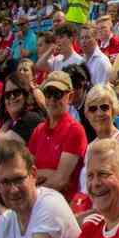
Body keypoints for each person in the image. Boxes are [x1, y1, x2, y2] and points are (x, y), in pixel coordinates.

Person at [28, 71, 87, 200]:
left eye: (57, 94)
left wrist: (32, 192)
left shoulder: (75, 130)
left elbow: (60, 181)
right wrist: (49, 173)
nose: (52, 99)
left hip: (62, 204)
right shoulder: (38, 130)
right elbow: (27, 173)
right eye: (48, 94)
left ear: (70, 97)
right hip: (40, 201)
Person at [0, 70, 45, 145]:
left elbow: (1, 148)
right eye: (7, 94)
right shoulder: (10, 122)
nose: (12, 97)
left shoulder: (32, 118)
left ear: (26, 94)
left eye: (16, 93)